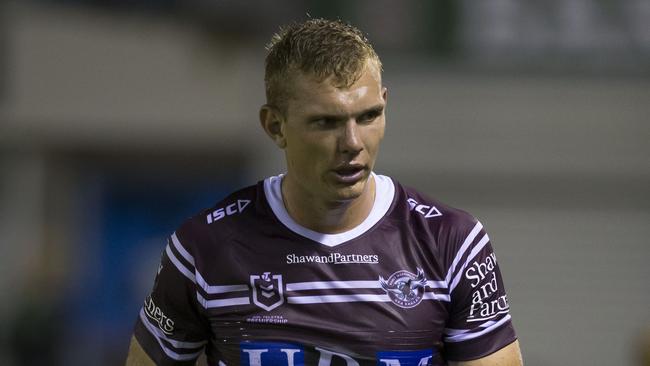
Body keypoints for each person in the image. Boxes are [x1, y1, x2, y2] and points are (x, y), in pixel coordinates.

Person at [125, 18, 522, 366]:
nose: (352, 142)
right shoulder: (204, 250)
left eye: (368, 116)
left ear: (385, 105)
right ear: (275, 126)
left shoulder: (451, 243)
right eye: (326, 122)